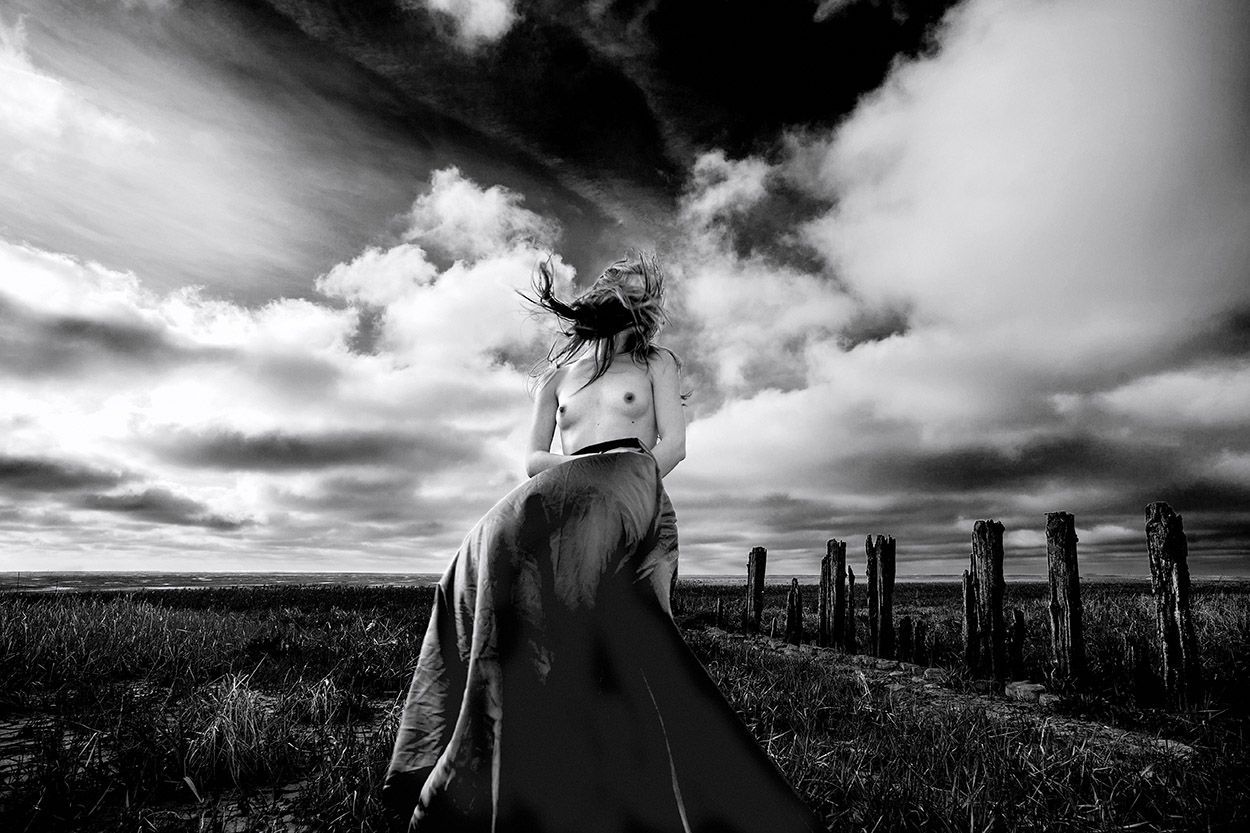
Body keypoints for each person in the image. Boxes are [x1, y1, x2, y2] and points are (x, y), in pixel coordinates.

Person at [383, 254, 823, 833]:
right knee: (481, 551)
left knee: (590, 595)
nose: (631, 300)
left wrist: (622, 475)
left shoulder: (656, 362)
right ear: (601, 296)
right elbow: (533, 458)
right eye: (622, 288)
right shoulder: (557, 378)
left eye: (640, 294)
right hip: (565, 487)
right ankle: (495, 753)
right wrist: (578, 474)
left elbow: (674, 446)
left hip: (632, 479)